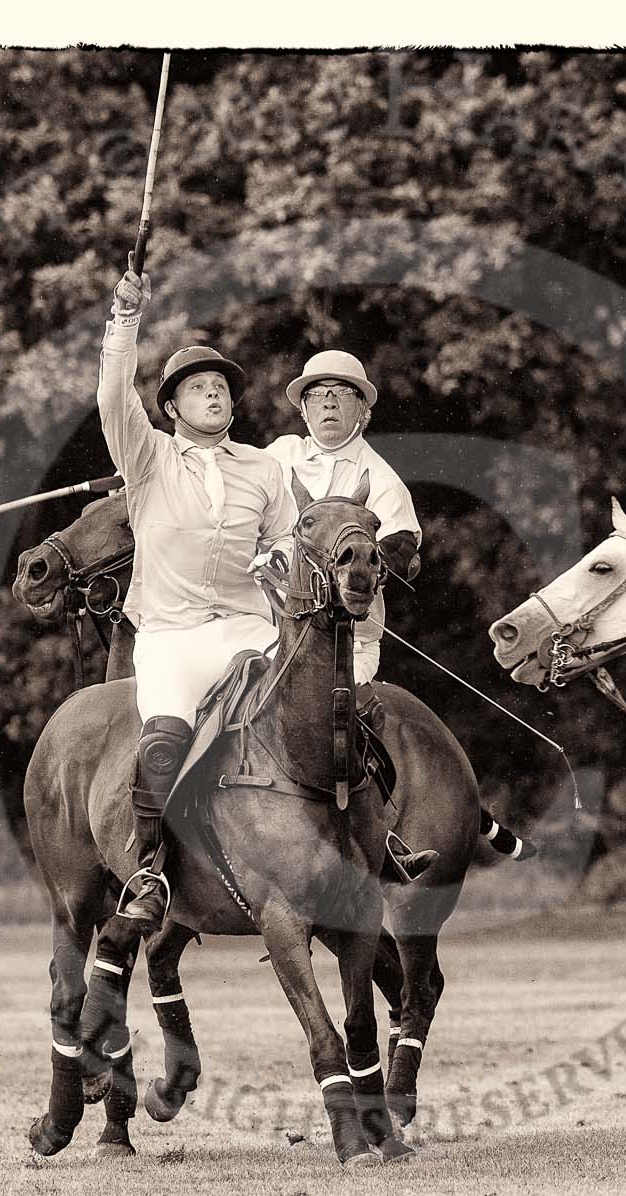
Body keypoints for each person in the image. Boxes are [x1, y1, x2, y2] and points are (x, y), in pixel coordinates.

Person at [97, 266, 296, 943]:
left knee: (325, 707)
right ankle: (150, 870)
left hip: (252, 630)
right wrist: (125, 317)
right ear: (173, 407)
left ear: (232, 406)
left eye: (220, 387)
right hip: (173, 637)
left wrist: (281, 560)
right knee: (162, 740)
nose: (212, 393)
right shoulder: (147, 457)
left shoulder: (264, 468)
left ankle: (366, 837)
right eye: (197, 387)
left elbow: (291, 541)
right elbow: (110, 393)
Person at [264, 350, 423, 684]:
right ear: (305, 410)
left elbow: (400, 549)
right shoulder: (278, 456)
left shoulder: (384, 481)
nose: (330, 403)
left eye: (343, 393)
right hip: (261, 627)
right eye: (318, 394)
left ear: (363, 409)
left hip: (345, 643)